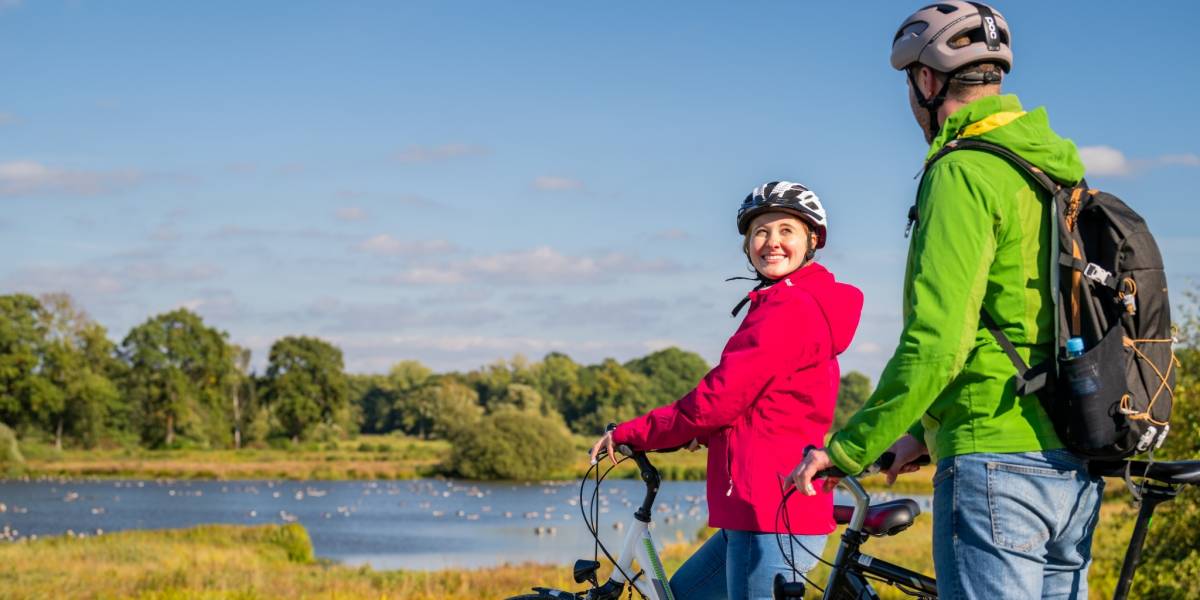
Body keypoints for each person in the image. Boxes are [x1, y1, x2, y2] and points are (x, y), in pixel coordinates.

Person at [790, 2, 1103, 598]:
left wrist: (848, 448)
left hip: (995, 462)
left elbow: (939, 341)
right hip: (1072, 458)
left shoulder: (962, 170)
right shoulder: (1051, 169)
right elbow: (1024, 317)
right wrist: (923, 436)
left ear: (926, 81)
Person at [590, 181, 863, 600]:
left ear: (812, 239)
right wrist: (702, 434)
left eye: (785, 230)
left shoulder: (789, 308)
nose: (771, 242)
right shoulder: (790, 302)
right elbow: (759, 402)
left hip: (770, 512)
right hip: (761, 509)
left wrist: (633, 432)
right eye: (760, 232)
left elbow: (715, 401)